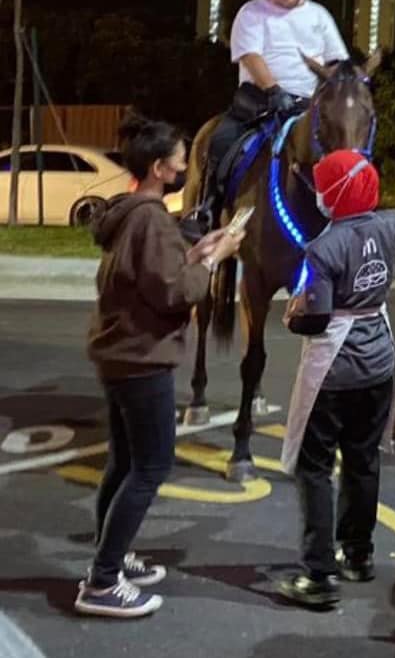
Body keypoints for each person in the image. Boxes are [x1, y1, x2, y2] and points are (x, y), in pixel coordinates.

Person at [78, 114, 245, 618]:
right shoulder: (150, 217)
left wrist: (196, 251)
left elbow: (157, 275)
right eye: (177, 156)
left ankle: (111, 557)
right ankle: (103, 581)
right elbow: (175, 293)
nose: (184, 162)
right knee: (151, 466)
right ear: (158, 167)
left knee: (125, 463)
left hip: (120, 353)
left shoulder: (134, 212)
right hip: (140, 359)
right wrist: (214, 262)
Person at [277, 150, 395, 608]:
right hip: (381, 359)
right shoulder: (393, 225)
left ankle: (317, 575)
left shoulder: (323, 248)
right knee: (363, 459)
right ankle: (358, 553)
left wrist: (291, 318)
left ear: (335, 194)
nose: (318, 197)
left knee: (314, 468)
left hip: (336, 364)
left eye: (323, 189)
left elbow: (315, 319)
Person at [193, 0, 349, 229]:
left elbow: (336, 62)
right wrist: (274, 91)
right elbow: (250, 56)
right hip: (258, 103)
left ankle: (351, 212)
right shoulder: (251, 13)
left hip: (308, 104)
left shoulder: (319, 16)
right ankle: (208, 208)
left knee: (350, 144)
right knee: (221, 140)